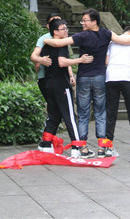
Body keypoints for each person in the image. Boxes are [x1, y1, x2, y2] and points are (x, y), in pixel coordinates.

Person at [43, 8, 130, 158]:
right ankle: (102, 148)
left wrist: (45, 40)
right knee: (100, 113)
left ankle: (83, 147)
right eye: (82, 20)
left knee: (83, 113)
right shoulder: (106, 34)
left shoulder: (82, 35)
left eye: (85, 20)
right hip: (99, 78)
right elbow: (124, 40)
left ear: (94, 21)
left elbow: (59, 43)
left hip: (84, 78)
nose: (82, 23)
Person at [38, 18, 92, 157]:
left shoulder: (46, 45)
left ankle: (46, 144)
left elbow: (39, 63)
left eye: (66, 28)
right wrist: (80, 60)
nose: (66, 31)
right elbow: (62, 62)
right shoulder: (61, 45)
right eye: (63, 29)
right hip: (61, 85)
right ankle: (76, 147)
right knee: (70, 116)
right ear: (55, 32)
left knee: (53, 116)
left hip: (49, 85)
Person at [30, 13, 74, 151]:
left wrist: (71, 75)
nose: (64, 28)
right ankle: (77, 146)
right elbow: (34, 56)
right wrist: (41, 60)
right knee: (60, 113)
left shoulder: (62, 40)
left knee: (55, 113)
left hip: (57, 79)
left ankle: (46, 143)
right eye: (56, 23)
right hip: (47, 80)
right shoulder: (44, 39)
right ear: (51, 27)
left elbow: (65, 60)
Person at [104, 25, 130, 158]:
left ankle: (108, 146)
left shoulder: (112, 42)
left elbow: (106, 61)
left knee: (111, 113)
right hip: (128, 78)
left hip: (112, 77)